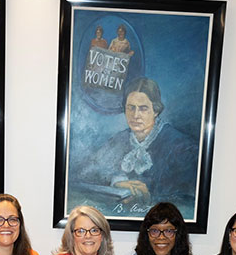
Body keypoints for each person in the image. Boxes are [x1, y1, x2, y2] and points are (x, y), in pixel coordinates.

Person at [79, 77, 199, 213]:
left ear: (156, 110)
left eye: (143, 108)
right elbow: (85, 171)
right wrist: (116, 181)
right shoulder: (119, 140)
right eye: (131, 108)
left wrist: (149, 195)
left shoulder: (181, 147)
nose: (135, 115)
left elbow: (188, 198)